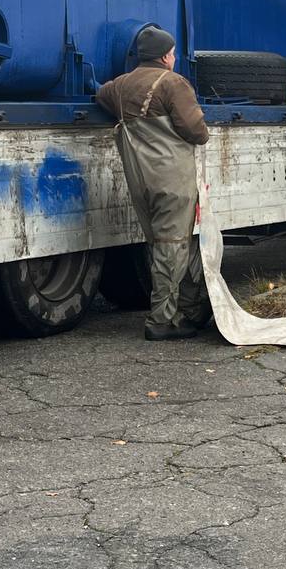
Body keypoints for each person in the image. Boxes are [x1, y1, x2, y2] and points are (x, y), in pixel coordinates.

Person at [96, 26, 212, 340]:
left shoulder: (120, 86)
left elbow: (100, 93)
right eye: (173, 53)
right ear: (164, 56)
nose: (174, 58)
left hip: (141, 181)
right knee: (173, 247)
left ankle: (191, 308)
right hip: (171, 177)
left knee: (165, 247)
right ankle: (162, 321)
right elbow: (197, 132)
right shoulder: (173, 83)